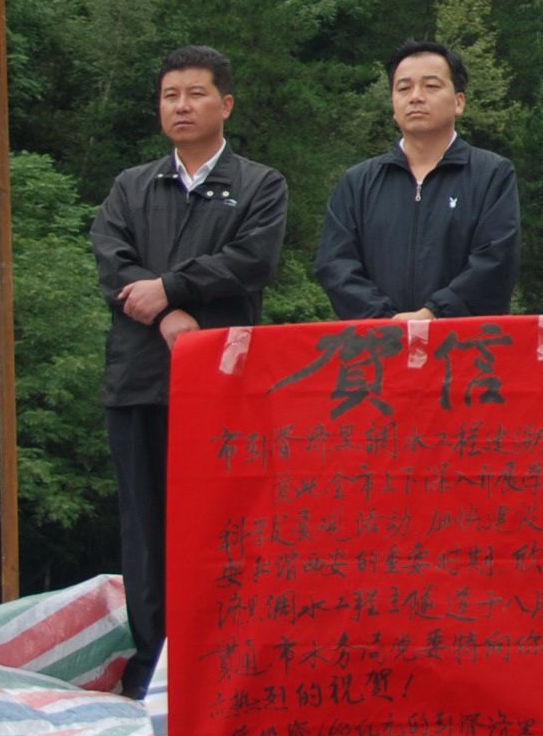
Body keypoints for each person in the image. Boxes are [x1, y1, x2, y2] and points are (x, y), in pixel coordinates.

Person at [90, 45, 288, 700]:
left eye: (195, 94)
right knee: (145, 529)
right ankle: (152, 664)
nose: (181, 106)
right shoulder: (132, 185)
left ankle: (222, 662)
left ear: (225, 104)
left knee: (222, 526)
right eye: (170, 95)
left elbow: (251, 261)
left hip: (222, 383)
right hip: (139, 380)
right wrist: (166, 312)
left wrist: (172, 289)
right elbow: (111, 259)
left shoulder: (259, 185)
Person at [315, 38, 521, 321]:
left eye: (431, 86)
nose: (415, 97)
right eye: (404, 88)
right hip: (379, 340)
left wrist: (434, 313)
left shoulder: (492, 174)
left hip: (465, 339)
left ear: (459, 101)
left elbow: (496, 259)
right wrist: (385, 319)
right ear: (393, 104)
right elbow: (335, 264)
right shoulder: (357, 183)